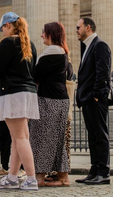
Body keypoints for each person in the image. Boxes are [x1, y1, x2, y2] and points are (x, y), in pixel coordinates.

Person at [0, 12, 40, 191]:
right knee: (19, 137)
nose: (2, 32)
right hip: (27, 92)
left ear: (8, 26)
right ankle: (12, 176)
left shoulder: (7, 43)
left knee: (19, 138)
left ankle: (31, 178)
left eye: (2, 28)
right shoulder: (30, 44)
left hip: (12, 92)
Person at [30, 22, 73, 186]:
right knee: (56, 140)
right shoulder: (62, 52)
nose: (41, 35)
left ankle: (39, 177)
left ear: (51, 34)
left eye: (44, 32)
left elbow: (35, 75)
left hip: (49, 100)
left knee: (40, 137)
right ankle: (63, 177)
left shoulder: (51, 53)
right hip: (59, 100)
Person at [75, 17, 112, 185]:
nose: (76, 30)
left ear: (88, 28)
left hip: (95, 99)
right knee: (92, 136)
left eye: (78, 27)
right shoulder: (87, 47)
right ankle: (94, 170)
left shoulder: (100, 45)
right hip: (88, 99)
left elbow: (103, 72)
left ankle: (103, 172)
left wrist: (96, 95)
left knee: (100, 135)